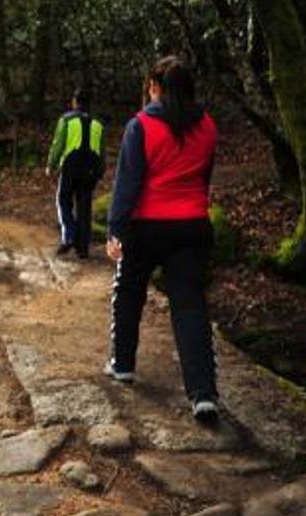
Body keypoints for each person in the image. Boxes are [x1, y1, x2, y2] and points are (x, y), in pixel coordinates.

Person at [104, 55, 220, 421]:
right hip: (191, 226)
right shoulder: (208, 127)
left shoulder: (141, 126)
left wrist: (116, 230)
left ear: (155, 87)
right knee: (190, 306)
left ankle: (122, 364)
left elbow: (127, 184)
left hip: (146, 227)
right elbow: (204, 178)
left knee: (128, 291)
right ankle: (203, 394)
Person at [45, 89, 105, 259]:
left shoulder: (66, 120)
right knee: (84, 207)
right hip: (91, 170)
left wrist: (51, 164)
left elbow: (58, 144)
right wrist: (100, 171)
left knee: (63, 200)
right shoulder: (98, 124)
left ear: (74, 102)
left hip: (71, 166)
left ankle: (69, 235)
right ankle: (83, 248)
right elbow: (102, 151)